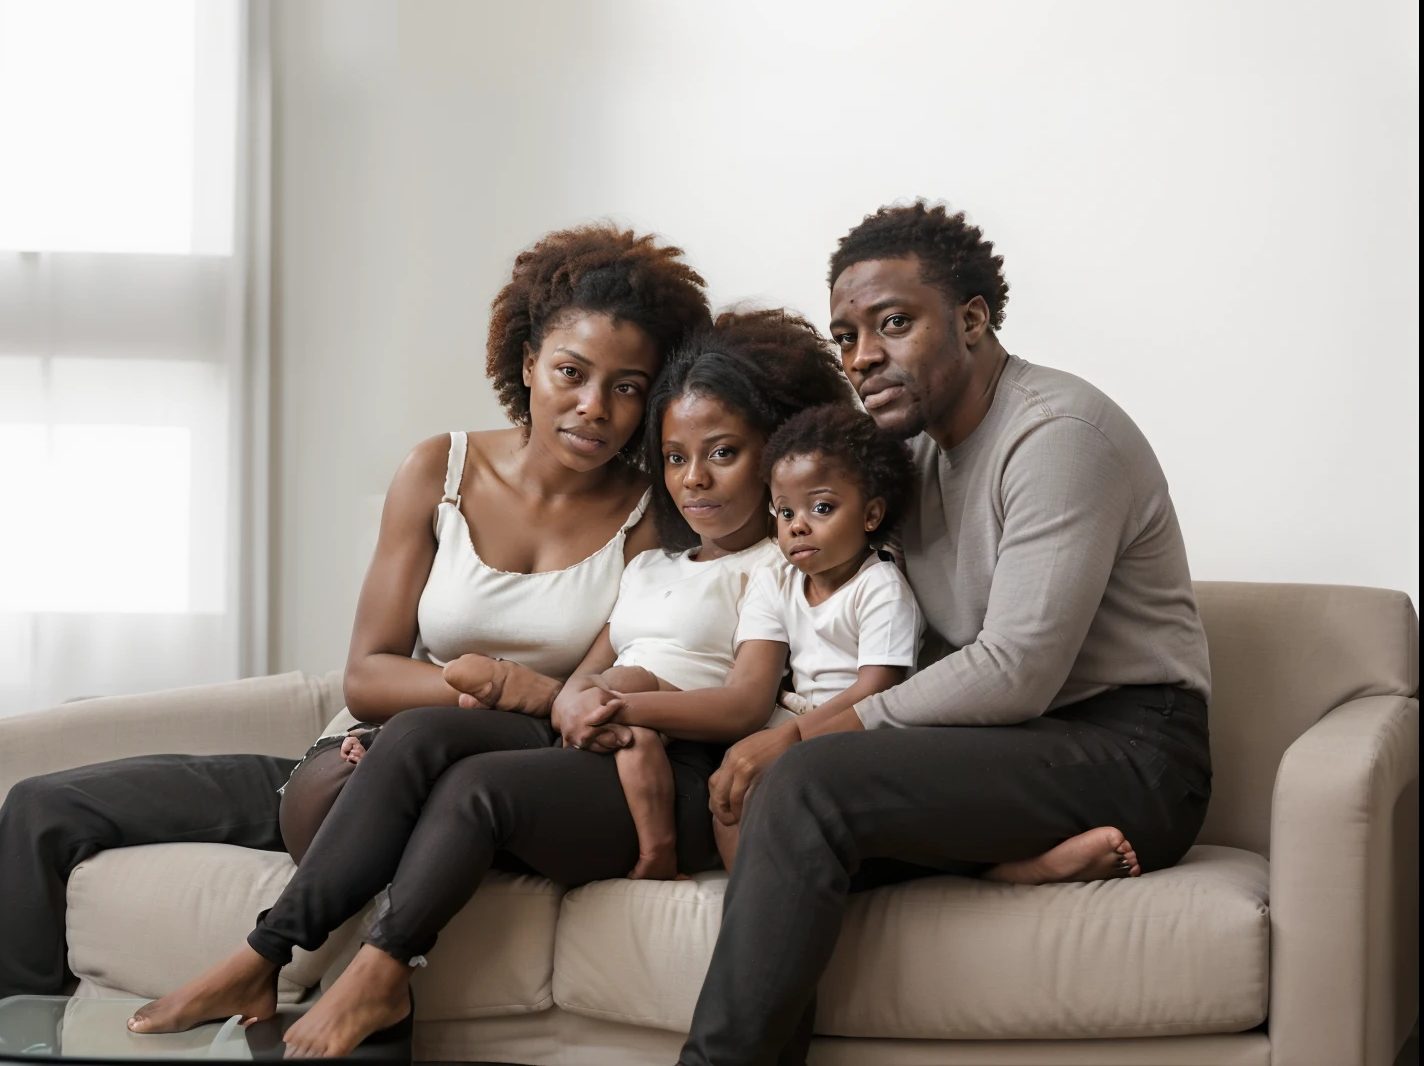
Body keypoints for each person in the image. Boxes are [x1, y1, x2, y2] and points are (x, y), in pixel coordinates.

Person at [0, 223, 710, 998]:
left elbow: (584, 706)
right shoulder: (440, 469)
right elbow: (367, 677)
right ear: (528, 361)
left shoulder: (655, 511)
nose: (593, 407)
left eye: (627, 387)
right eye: (571, 372)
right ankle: (27, 1034)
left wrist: (489, 706)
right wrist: (475, 697)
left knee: (409, 785)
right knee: (42, 808)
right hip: (361, 755)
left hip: (495, 778)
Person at [124, 308, 852, 1059]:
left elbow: (748, 702)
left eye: (724, 454)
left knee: (479, 790)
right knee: (415, 734)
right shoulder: (654, 560)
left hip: (677, 763)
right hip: (601, 737)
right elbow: (586, 671)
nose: (693, 478)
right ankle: (263, 956)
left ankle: (383, 970)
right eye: (674, 457)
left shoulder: (779, 567)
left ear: (776, 452)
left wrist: (611, 708)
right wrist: (567, 699)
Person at [679, 200, 1212, 1066]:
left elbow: (1013, 672)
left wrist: (807, 736)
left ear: (972, 320)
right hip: (1004, 752)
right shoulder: (909, 460)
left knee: (807, 785)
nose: (861, 357)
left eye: (894, 323)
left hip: (1135, 756)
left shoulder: (1057, 435)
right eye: (847, 334)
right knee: (765, 808)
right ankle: (1014, 862)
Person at [711, 402, 921, 865]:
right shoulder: (776, 581)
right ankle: (745, 895)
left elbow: (877, 689)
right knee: (729, 788)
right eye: (784, 512)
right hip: (798, 718)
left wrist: (790, 740)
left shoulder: (880, 587)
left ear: (871, 515)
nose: (797, 525)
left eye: (821, 507)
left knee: (776, 784)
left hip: (860, 728)